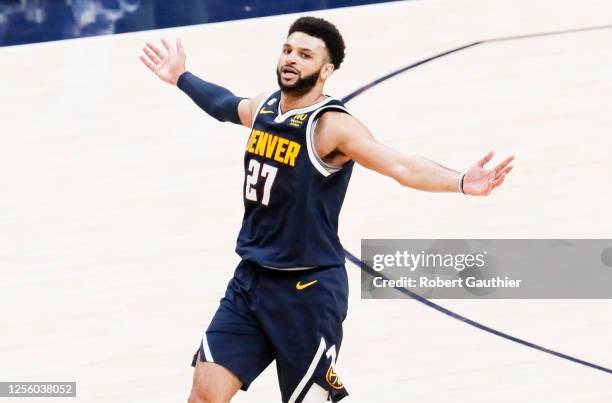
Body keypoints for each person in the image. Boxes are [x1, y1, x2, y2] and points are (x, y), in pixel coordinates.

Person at [139, 16, 514, 403]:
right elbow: (224, 105)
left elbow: (402, 166)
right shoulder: (266, 108)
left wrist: (461, 182)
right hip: (250, 282)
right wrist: (181, 76)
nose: (291, 59)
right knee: (203, 396)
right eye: (288, 50)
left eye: (305, 55)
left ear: (326, 70)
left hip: (307, 290)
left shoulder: (331, 126)